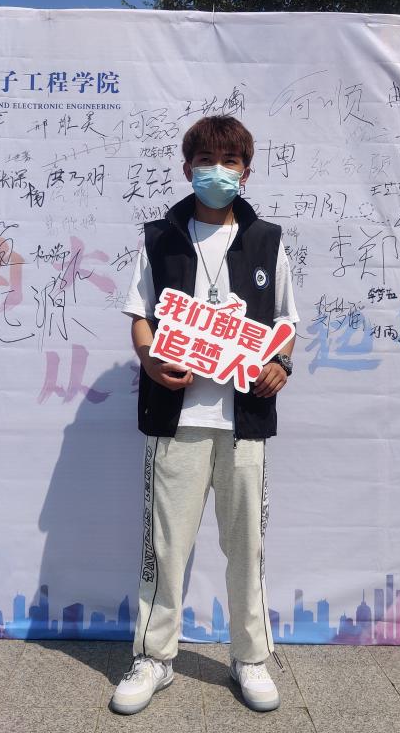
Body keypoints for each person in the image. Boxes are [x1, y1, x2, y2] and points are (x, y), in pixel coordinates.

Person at [111, 116, 298, 715]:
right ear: (187, 168)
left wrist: (281, 364)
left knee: (247, 548)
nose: (219, 171)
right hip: (176, 421)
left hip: (244, 423)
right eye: (207, 161)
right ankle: (154, 658)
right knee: (165, 548)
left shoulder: (266, 239)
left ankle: (250, 658)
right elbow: (140, 314)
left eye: (230, 161)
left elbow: (287, 321)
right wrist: (149, 360)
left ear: (247, 171)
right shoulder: (160, 237)